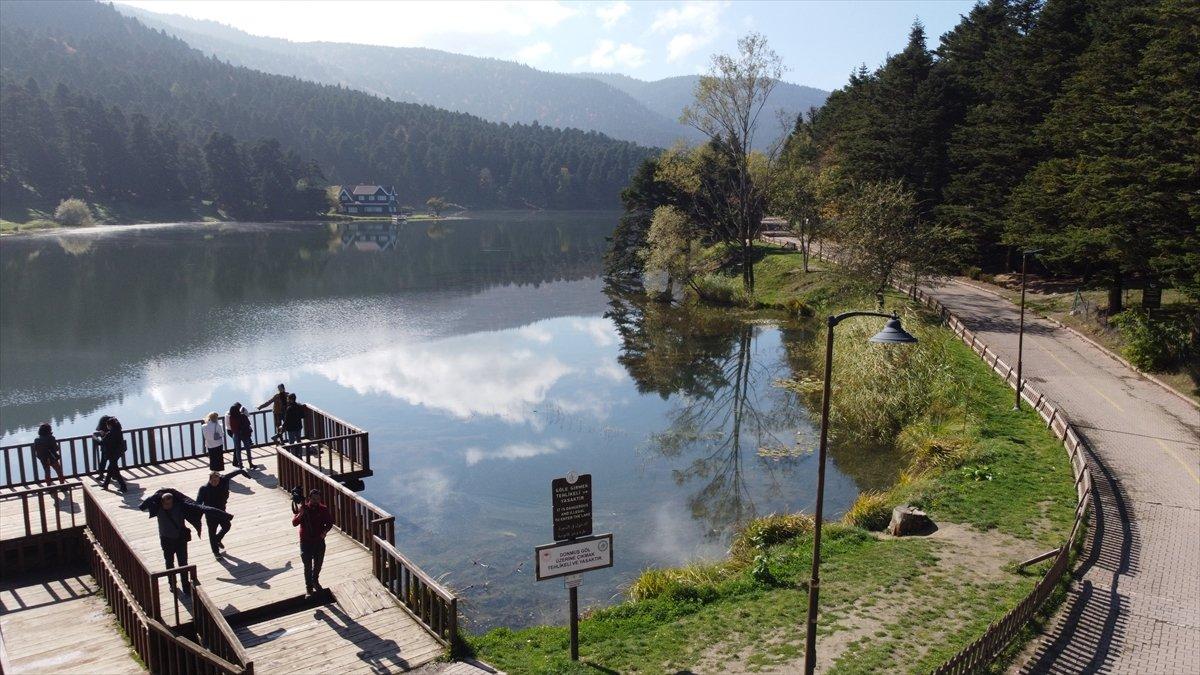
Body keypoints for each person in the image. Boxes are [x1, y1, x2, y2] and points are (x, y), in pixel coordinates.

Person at [139, 488, 232, 593]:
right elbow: (142, 507)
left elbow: (203, 508)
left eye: (170, 503)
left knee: (183, 564)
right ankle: (172, 584)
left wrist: (226, 516)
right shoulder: (157, 507)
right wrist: (157, 495)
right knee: (169, 563)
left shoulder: (180, 506)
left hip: (180, 539)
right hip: (166, 540)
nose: (168, 505)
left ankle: (186, 586)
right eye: (166, 503)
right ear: (162, 502)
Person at [196, 469, 248, 556]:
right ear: (209, 479)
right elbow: (198, 503)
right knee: (212, 532)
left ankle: (217, 539)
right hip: (211, 514)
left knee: (227, 526)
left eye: (217, 480)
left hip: (222, 512)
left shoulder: (223, 480)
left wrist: (241, 471)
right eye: (213, 480)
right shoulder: (204, 489)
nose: (215, 482)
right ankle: (216, 552)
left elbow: (232, 473)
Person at [292, 488, 333, 595]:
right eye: (314, 499)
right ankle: (309, 588)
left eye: (318, 499)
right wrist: (300, 514)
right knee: (307, 566)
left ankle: (315, 580)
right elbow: (294, 523)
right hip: (305, 542)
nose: (316, 501)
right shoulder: (304, 508)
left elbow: (329, 523)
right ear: (309, 498)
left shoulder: (323, 509)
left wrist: (324, 532)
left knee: (318, 564)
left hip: (319, 540)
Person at [98, 417, 127, 493]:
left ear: (110, 425)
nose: (107, 427)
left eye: (107, 425)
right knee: (111, 469)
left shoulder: (111, 433)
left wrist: (99, 437)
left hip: (112, 454)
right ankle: (105, 485)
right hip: (117, 453)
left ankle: (123, 487)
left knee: (115, 471)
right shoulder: (118, 431)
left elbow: (102, 442)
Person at [226, 403, 254, 469]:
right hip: (244, 434)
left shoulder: (231, 417)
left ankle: (241, 465)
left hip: (235, 434)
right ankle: (250, 463)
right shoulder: (242, 416)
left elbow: (231, 427)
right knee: (247, 449)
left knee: (238, 451)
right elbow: (248, 423)